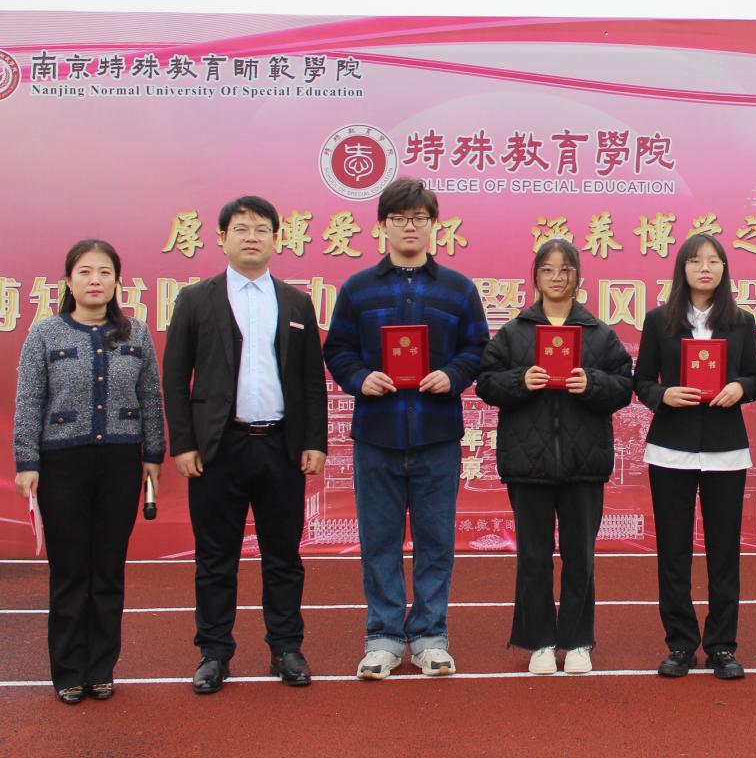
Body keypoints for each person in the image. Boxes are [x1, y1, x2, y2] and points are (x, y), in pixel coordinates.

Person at [324, 178, 489, 679]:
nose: (409, 226)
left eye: (419, 218)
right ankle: (384, 638)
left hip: (437, 435)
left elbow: (477, 348)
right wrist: (359, 378)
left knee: (436, 541)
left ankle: (431, 637)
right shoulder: (358, 289)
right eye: (399, 218)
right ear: (383, 226)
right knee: (380, 540)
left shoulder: (457, 289)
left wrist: (453, 375)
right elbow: (338, 349)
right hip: (378, 434)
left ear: (434, 224)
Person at [164, 196, 328, 694]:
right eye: (241, 228)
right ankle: (214, 653)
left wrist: (314, 441)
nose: (251, 237)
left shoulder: (296, 302)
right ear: (222, 238)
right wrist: (184, 443)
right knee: (216, 558)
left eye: (261, 229)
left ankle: (286, 647)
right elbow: (175, 378)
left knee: (284, 556)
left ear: (277, 239)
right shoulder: (196, 300)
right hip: (218, 448)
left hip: (280, 446)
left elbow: (311, 380)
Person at [13, 239, 165, 704]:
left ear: (117, 281)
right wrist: (26, 461)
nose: (95, 280)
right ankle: (67, 671)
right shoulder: (45, 334)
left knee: (108, 569)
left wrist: (153, 454)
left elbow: (150, 397)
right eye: (85, 272)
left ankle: (101, 668)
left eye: (104, 272)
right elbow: (29, 400)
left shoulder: (136, 333)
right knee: (70, 570)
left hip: (120, 463)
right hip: (61, 464)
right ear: (68, 281)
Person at [476, 239, 633, 674]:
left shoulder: (599, 333)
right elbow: (486, 383)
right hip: (528, 464)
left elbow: (625, 386)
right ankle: (539, 641)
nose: (557, 277)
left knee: (580, 556)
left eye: (566, 270)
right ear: (536, 276)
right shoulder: (514, 332)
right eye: (548, 269)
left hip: (584, 464)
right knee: (533, 557)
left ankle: (578, 641)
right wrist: (520, 380)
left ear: (578, 277)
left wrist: (594, 384)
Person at [633, 233, 756, 680]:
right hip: (671, 448)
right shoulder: (659, 320)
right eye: (695, 260)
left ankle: (722, 645)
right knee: (674, 551)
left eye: (713, 261)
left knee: (724, 552)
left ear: (724, 269)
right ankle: (681, 644)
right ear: (682, 269)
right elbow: (642, 380)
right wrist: (663, 394)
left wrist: (741, 387)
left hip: (726, 450)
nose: (704, 268)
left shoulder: (741, 322)